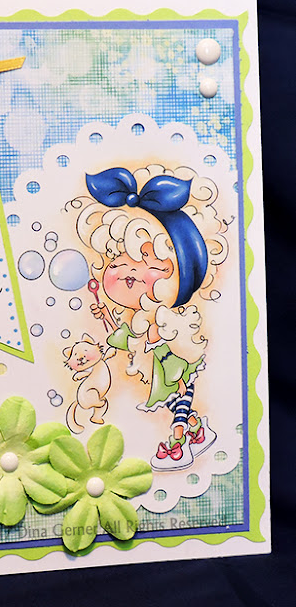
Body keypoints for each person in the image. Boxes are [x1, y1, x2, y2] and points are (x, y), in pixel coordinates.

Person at [75, 165, 229, 471]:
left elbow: (171, 352)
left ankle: (177, 445)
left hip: (177, 372)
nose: (128, 273)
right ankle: (198, 432)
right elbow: (123, 338)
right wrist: (105, 315)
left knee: (178, 409)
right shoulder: (139, 324)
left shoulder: (169, 322)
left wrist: (178, 377)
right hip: (164, 377)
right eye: (117, 262)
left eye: (150, 265)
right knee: (178, 407)